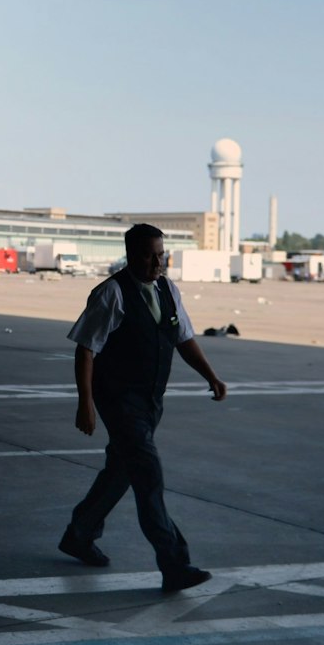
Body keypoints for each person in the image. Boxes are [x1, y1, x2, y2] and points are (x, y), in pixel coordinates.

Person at [59, 224, 227, 591]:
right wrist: (85, 403)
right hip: (119, 401)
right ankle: (175, 564)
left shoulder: (168, 289)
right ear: (131, 255)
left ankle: (80, 532)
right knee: (149, 478)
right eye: (149, 255)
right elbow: (86, 349)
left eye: (161, 254)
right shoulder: (111, 294)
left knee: (121, 471)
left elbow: (183, 338)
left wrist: (210, 376)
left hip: (151, 402)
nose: (157, 262)